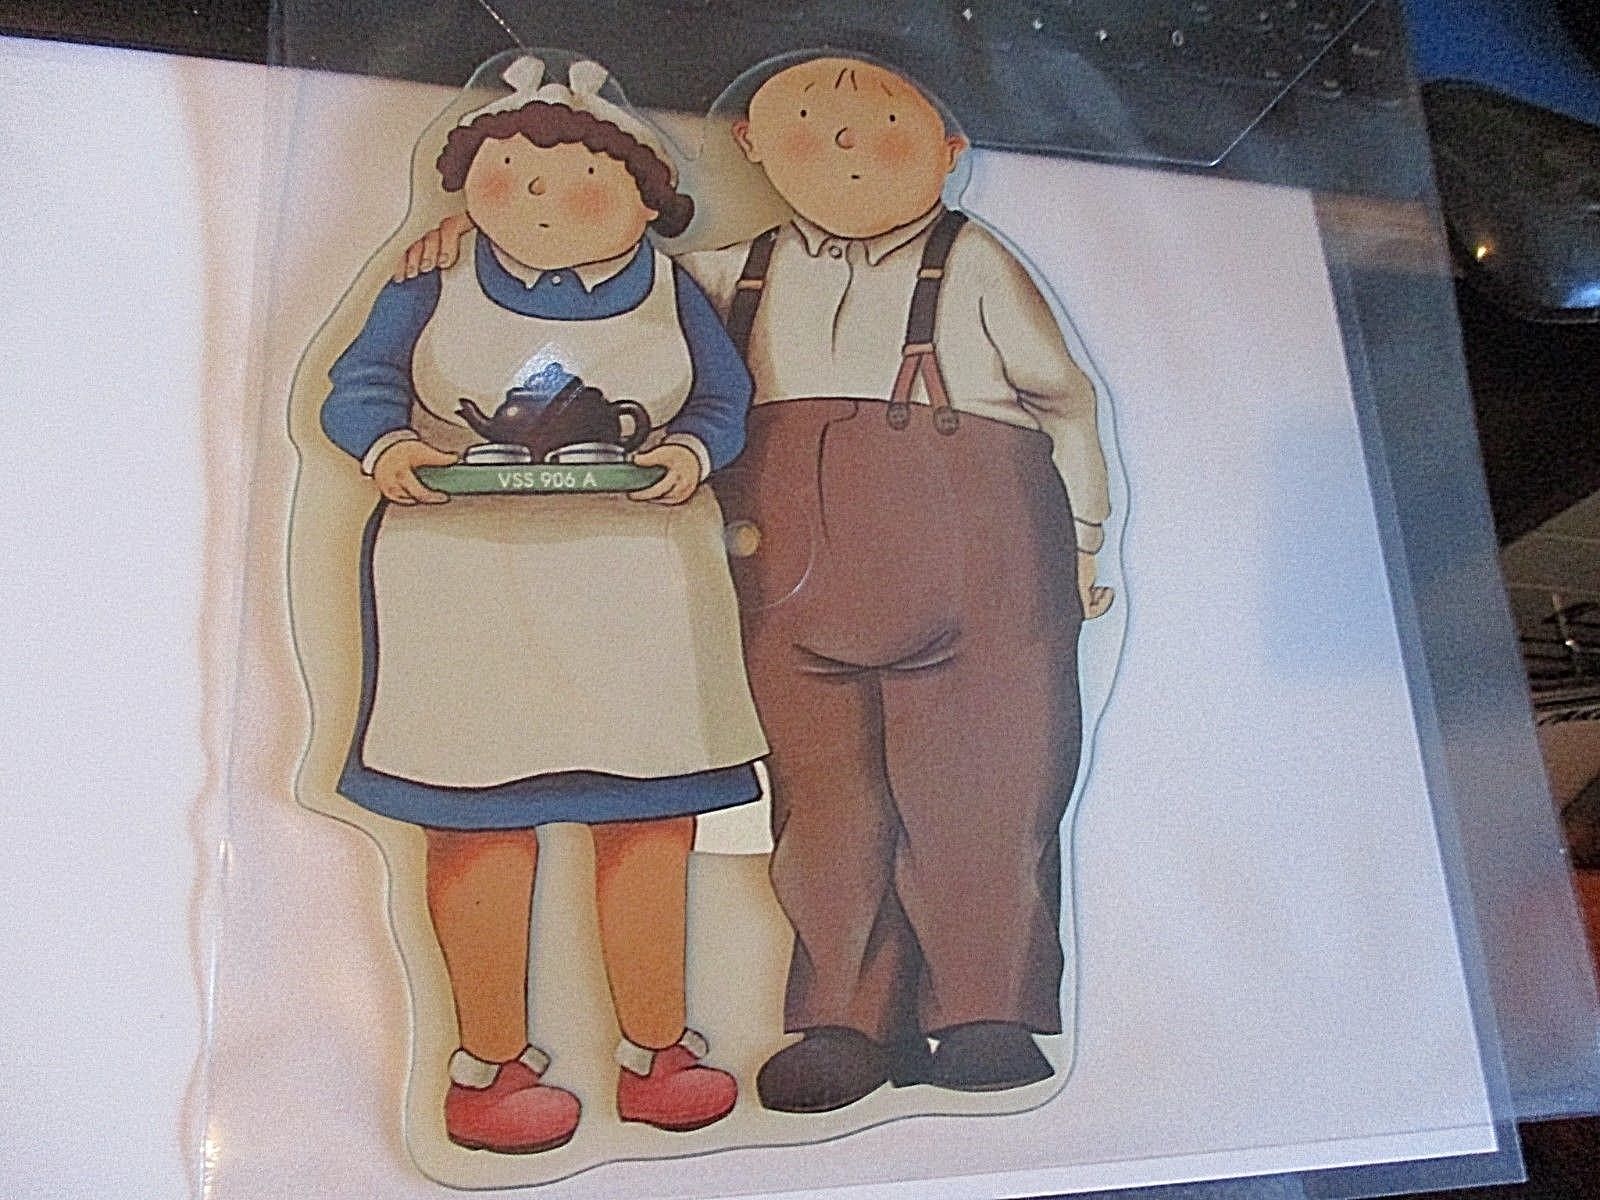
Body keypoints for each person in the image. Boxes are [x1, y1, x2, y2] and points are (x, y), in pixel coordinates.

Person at [399, 52, 1116, 1116]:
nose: (848, 151)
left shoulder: (977, 265)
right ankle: (844, 1020)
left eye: (882, 130)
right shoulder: (724, 273)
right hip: (791, 581)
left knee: (985, 785)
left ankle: (985, 1011)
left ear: (950, 149)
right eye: (812, 129)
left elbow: (1066, 403)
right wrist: (470, 238)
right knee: (822, 805)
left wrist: (1088, 540)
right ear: (752, 147)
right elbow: (593, 267)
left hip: (988, 574)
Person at [321, 57, 766, 1153]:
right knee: (478, 819)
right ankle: (488, 1062)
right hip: (464, 583)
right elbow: (359, 385)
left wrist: (689, 452)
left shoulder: (673, 290)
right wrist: (389, 448)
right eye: (513, 175)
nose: (543, 199)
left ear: (646, 197)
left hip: (641, 586)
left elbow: (725, 397)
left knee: (649, 818)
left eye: (580, 180)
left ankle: (657, 1048)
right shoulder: (430, 276)